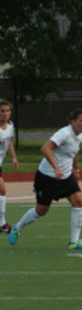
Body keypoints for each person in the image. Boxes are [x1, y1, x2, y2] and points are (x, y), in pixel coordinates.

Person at [8, 108, 82, 249]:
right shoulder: (64, 133)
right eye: (81, 121)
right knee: (42, 210)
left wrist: (76, 169)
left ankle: (74, 241)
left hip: (66, 176)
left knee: (78, 203)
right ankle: (17, 227)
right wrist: (56, 167)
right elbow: (45, 148)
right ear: (72, 121)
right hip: (47, 177)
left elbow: (74, 152)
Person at [0, 99, 19, 233]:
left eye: (8, 111)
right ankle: (2, 223)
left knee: (1, 191)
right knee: (2, 190)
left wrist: (13, 157)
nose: (5, 114)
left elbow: (9, 142)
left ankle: (1, 223)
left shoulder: (10, 126)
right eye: (2, 111)